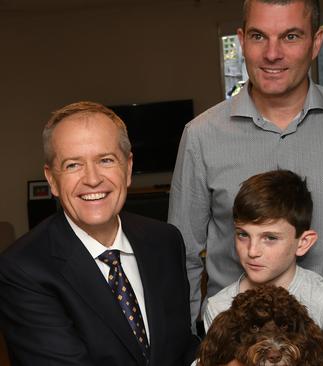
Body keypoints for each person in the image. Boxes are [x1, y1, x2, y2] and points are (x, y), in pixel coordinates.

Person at [169, 0, 323, 331]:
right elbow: (183, 257)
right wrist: (190, 343)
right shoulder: (201, 136)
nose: (272, 54)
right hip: (238, 343)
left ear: (316, 42)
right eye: (259, 36)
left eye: (290, 37)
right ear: (242, 40)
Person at [0, 102, 198, 366]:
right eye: (73, 165)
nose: (92, 179)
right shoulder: (23, 269)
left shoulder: (165, 241)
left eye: (105, 160)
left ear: (127, 168)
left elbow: (181, 347)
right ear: (51, 180)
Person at [203, 170, 323, 346]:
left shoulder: (322, 301)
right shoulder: (219, 307)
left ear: (303, 243)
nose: (252, 251)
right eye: (243, 235)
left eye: (270, 238)